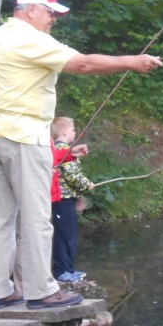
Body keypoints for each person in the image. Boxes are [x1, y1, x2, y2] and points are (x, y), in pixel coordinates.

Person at [0, 0, 163, 311]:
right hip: (23, 138)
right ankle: (40, 291)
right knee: (36, 217)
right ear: (31, 10)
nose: (53, 20)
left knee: (0, 219)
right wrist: (132, 61)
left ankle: (0, 291)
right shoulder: (31, 39)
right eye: (50, 12)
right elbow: (84, 65)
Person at [51, 117, 93, 283]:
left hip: (67, 199)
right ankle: (62, 271)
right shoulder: (63, 149)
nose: (75, 132)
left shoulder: (62, 149)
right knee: (65, 235)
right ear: (64, 132)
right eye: (73, 129)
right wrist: (86, 185)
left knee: (70, 235)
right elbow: (72, 176)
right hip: (62, 201)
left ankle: (68, 269)